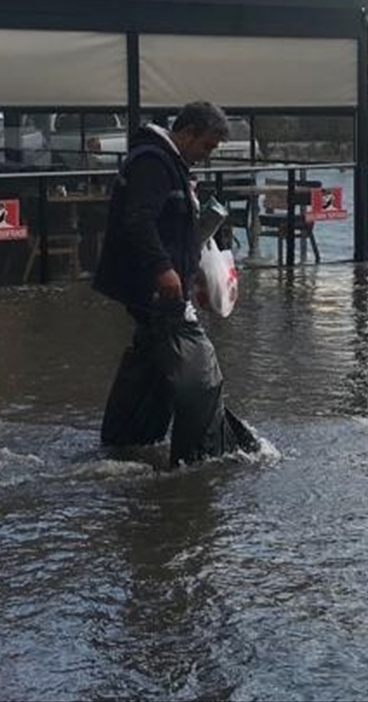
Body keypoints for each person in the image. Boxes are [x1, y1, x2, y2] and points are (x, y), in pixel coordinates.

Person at [93, 101, 258, 466]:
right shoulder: (153, 164)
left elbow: (172, 228)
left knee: (151, 362)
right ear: (187, 133)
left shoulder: (168, 164)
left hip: (154, 285)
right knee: (200, 373)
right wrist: (164, 271)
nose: (207, 155)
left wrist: (185, 271)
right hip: (154, 289)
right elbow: (139, 222)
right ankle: (202, 457)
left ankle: (124, 444)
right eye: (207, 147)